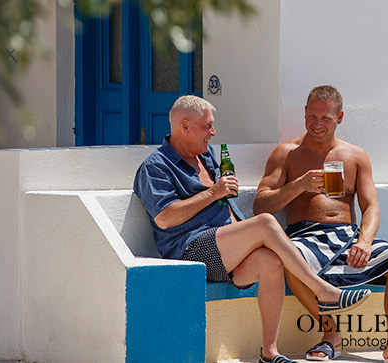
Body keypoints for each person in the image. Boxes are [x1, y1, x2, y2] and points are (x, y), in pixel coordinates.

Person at [135, 95, 372, 363]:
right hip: (190, 250)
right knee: (266, 222)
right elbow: (165, 218)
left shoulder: (207, 156)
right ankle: (323, 291)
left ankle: (269, 352)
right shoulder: (155, 167)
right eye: (207, 127)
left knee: (270, 261)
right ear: (185, 126)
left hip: (225, 250)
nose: (214, 132)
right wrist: (213, 193)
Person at [254, 85, 388, 363]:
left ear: (340, 118)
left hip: (347, 236)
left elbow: (371, 207)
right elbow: (261, 205)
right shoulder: (286, 154)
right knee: (289, 258)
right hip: (305, 236)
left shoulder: (355, 156)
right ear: (305, 114)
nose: (317, 124)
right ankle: (330, 334)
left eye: (325, 118)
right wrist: (299, 185)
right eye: (312, 117)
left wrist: (365, 240)